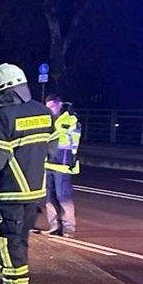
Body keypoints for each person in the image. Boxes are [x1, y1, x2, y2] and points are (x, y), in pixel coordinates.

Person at [0, 63, 55, 284]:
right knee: (21, 240)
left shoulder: (4, 117)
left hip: (11, 191)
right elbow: (51, 149)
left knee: (9, 242)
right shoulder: (43, 111)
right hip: (36, 192)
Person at [43, 95, 81, 236]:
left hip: (62, 165)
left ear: (59, 105)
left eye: (52, 106)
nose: (50, 110)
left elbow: (72, 141)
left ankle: (68, 228)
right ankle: (53, 226)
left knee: (63, 198)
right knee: (48, 198)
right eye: (47, 107)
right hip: (47, 164)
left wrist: (53, 135)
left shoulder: (70, 119)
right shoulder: (47, 120)